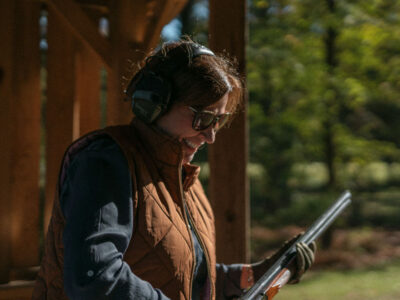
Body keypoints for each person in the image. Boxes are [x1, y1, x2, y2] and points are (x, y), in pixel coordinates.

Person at [32, 40, 316, 300]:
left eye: (219, 120)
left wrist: (257, 273)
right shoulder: (105, 162)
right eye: (202, 118)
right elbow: (94, 277)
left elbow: (185, 273)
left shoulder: (184, 178)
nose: (210, 135)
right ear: (154, 103)